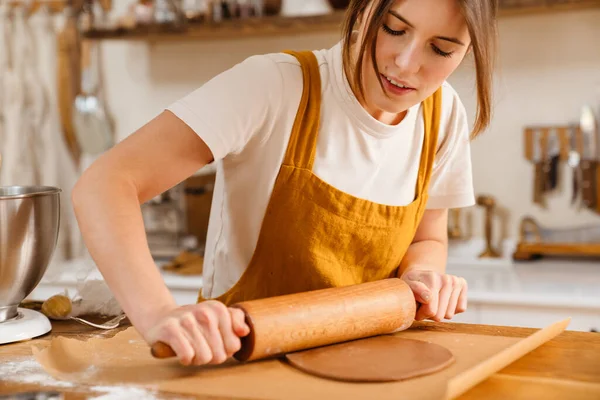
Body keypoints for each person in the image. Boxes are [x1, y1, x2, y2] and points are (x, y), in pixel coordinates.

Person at [72, 0, 497, 367]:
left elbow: (428, 239)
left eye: (441, 49)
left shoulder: (443, 115)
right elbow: (106, 183)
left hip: (371, 371)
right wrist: (159, 314)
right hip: (239, 366)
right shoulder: (274, 86)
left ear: (467, 51)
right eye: (393, 28)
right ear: (363, 7)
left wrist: (425, 276)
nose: (406, 63)